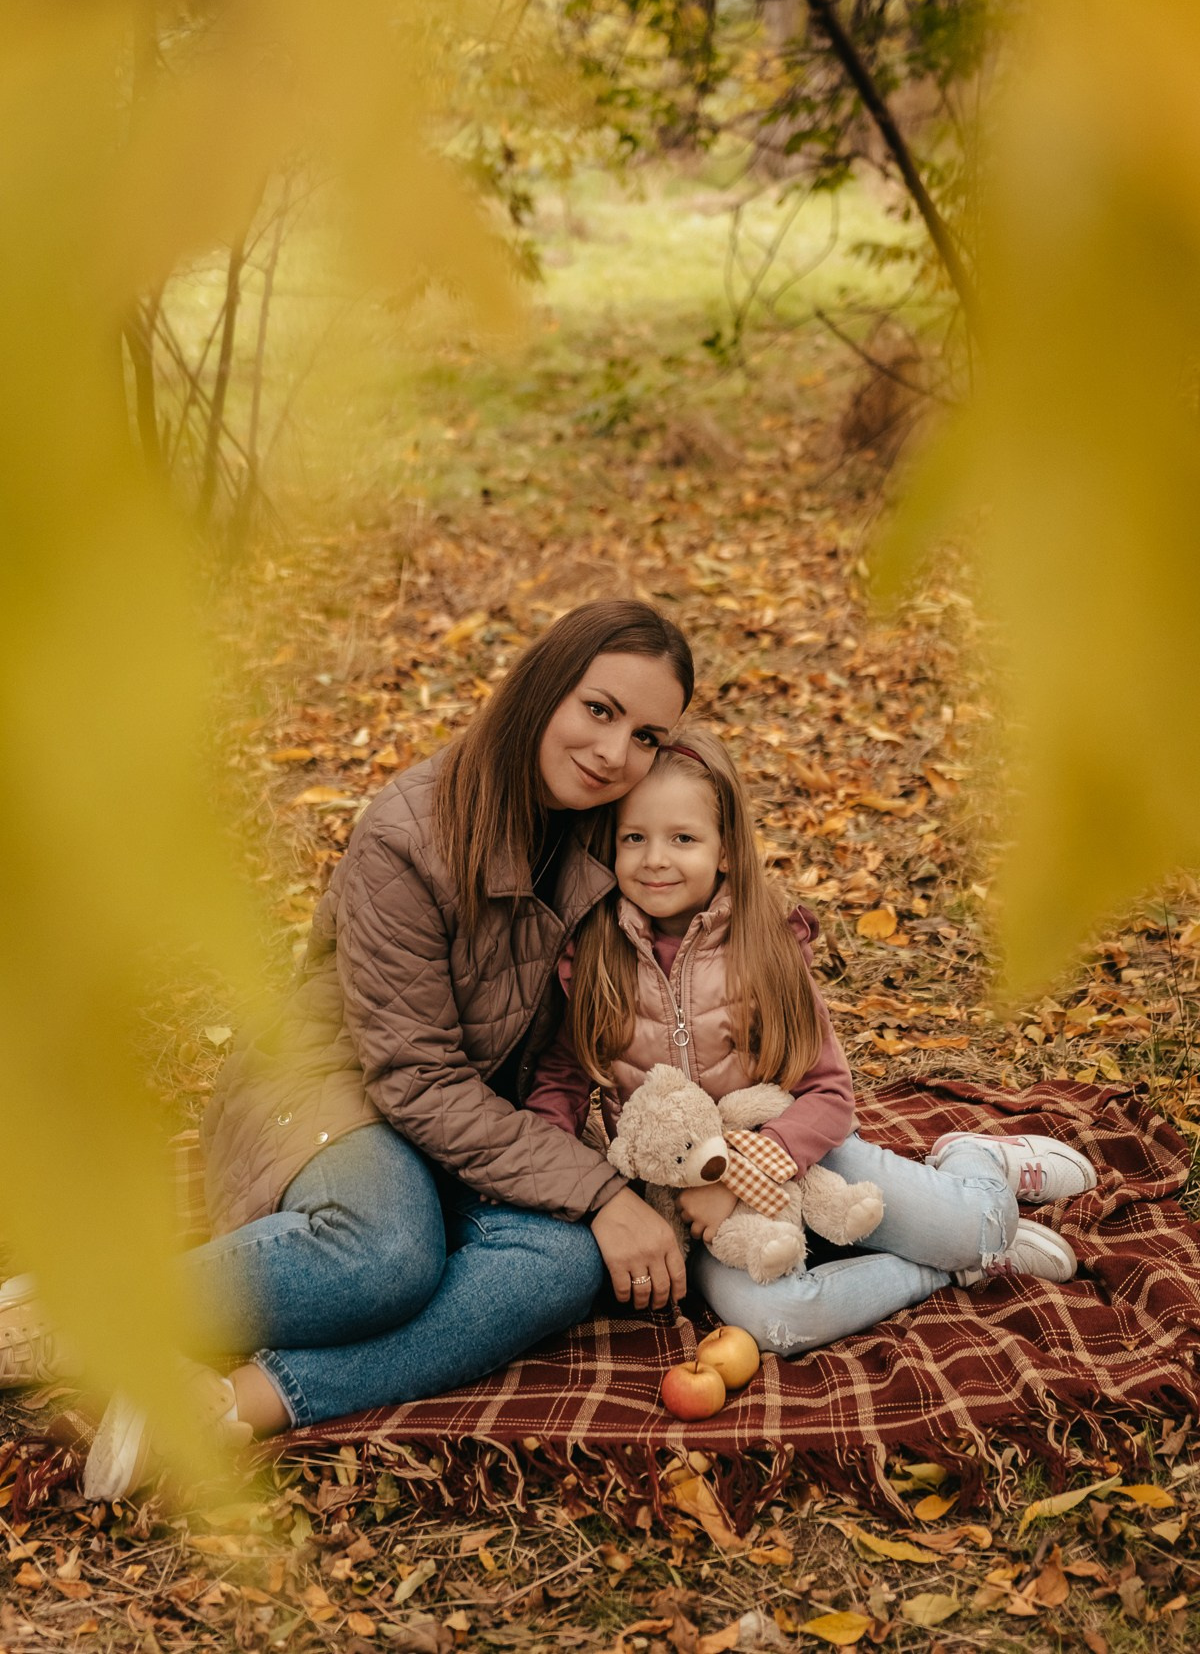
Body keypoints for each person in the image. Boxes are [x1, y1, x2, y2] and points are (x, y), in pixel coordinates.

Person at [26, 599, 698, 1496]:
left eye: (648, 736)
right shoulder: (409, 832)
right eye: (599, 710)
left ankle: (236, 1402)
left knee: (563, 1264)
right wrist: (601, 1191)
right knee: (386, 1257)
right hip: (333, 1084)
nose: (615, 753)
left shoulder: (619, 830)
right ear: (543, 687)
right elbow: (414, 1077)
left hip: (475, 1115)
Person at [525, 728, 1098, 1354]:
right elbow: (560, 1086)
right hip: (688, 1201)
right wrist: (580, 1191)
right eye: (634, 838)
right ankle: (954, 1270)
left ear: (725, 849)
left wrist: (737, 1176)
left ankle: (975, 1163)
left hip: (805, 1152)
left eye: (682, 838)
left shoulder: (766, 946)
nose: (655, 858)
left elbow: (828, 1092)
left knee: (981, 1225)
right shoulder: (593, 955)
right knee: (776, 1320)